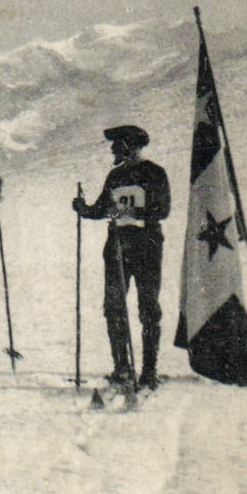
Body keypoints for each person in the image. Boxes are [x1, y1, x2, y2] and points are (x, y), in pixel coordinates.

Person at [73, 125, 171, 390]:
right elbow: (102, 209)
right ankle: (122, 368)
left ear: (132, 146)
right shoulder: (115, 176)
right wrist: (84, 209)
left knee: (148, 307)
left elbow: (162, 210)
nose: (113, 150)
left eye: (118, 145)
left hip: (146, 246)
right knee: (114, 306)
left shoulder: (154, 173)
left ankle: (149, 371)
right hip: (117, 247)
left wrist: (128, 213)